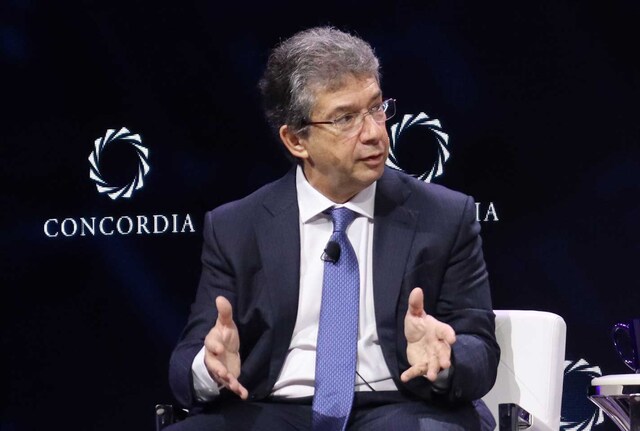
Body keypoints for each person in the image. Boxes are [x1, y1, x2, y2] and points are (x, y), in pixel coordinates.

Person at [167, 26, 500, 431]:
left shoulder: (444, 216)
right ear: (296, 141)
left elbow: (480, 350)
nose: (374, 133)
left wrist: (446, 359)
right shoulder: (236, 227)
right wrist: (210, 365)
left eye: (377, 108)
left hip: (402, 405)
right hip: (272, 409)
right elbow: (185, 364)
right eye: (345, 118)